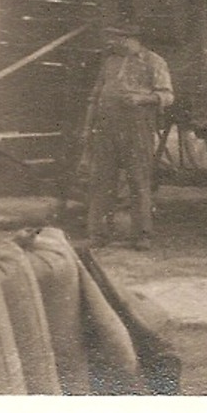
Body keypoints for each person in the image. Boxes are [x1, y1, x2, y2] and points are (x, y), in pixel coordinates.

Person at [85, 24, 174, 250]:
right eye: (114, 38)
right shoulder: (110, 62)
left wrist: (141, 100)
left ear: (134, 39)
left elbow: (167, 95)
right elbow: (95, 96)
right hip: (106, 129)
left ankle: (142, 235)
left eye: (119, 38)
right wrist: (88, 127)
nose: (115, 43)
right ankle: (99, 234)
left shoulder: (155, 62)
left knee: (139, 181)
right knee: (102, 181)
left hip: (137, 129)